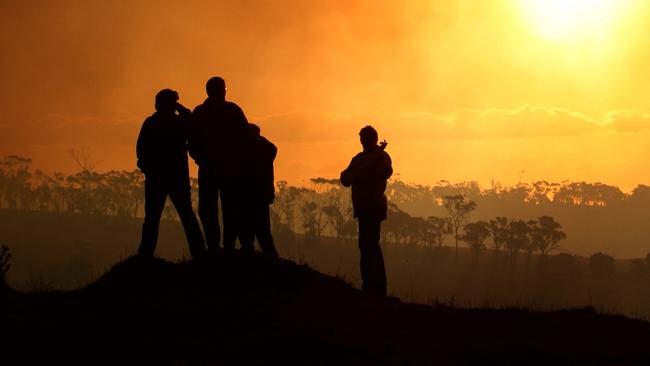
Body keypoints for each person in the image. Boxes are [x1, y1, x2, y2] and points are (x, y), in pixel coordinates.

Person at [136, 89, 205, 258]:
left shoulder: (151, 123)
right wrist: (180, 108)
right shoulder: (179, 122)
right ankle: (199, 254)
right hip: (176, 178)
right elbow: (193, 123)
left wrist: (147, 168)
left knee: (152, 218)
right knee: (186, 215)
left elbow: (141, 150)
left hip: (157, 178)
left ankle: (145, 255)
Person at [188, 77, 249, 252]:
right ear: (223, 90)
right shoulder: (232, 110)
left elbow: (192, 142)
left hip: (212, 168)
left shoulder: (201, 112)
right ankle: (225, 246)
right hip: (223, 168)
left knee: (213, 209)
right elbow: (245, 138)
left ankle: (216, 246)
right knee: (226, 208)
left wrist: (201, 158)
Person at [340, 125, 392, 297]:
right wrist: (356, 176)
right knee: (365, 245)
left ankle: (377, 287)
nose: (363, 141)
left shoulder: (382, 157)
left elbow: (384, 173)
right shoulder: (358, 159)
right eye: (361, 138)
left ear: (374, 139)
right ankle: (368, 284)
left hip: (374, 205)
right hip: (362, 206)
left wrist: (358, 176)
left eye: (366, 138)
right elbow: (345, 178)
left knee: (371, 245)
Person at [239, 123, 279, 257]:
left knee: (258, 231)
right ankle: (268, 257)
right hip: (256, 196)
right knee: (257, 231)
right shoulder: (265, 150)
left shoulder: (253, 150)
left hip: (254, 196)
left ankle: (268, 257)